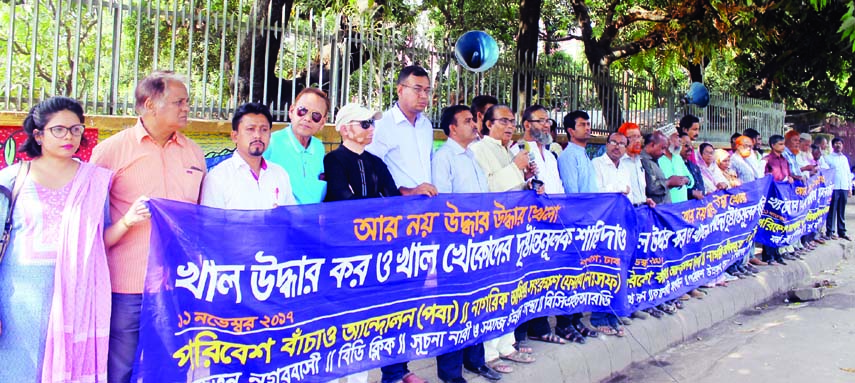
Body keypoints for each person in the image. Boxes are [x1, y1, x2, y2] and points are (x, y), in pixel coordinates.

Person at [0, 97, 140, 382]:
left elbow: (97, 244)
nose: (70, 137)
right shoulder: (13, 179)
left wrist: (128, 222)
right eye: (59, 130)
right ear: (38, 135)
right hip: (20, 301)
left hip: (78, 299)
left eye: (76, 130)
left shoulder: (95, 182)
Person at [90, 71, 206, 383]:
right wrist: (128, 220)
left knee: (173, 363)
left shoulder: (194, 152)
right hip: (128, 283)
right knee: (121, 365)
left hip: (177, 282)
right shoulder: (112, 151)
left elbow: (200, 217)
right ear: (150, 104)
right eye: (178, 102)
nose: (186, 108)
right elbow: (90, 223)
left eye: (187, 102)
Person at [431, 105, 502, 382]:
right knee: (453, 307)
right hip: (456, 245)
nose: (475, 125)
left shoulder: (471, 155)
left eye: (474, 120)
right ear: (452, 128)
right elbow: (444, 206)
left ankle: (476, 360)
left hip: (480, 243)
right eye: (468, 121)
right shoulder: (444, 157)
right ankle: (450, 373)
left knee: (478, 302)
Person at [470, 105, 537, 372]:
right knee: (494, 290)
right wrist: (514, 168)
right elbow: (488, 187)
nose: (510, 126)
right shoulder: (479, 150)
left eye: (512, 121)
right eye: (504, 121)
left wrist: (525, 177)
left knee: (511, 286)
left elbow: (511, 183)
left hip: (514, 228)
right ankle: (488, 352)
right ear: (488, 124)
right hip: (493, 230)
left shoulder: (508, 150)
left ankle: (506, 343)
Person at [201, 102, 296, 209]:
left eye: (264, 130)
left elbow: (290, 217)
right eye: (250, 129)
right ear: (235, 136)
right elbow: (210, 223)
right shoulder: (218, 178)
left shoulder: (280, 174)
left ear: (270, 135)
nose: (258, 135)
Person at [366, 65, 438, 198]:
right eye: (417, 89)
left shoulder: (426, 125)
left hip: (427, 203)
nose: (423, 96)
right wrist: (406, 191)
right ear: (400, 90)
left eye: (427, 90)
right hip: (397, 204)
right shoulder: (383, 124)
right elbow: (371, 168)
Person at [264, 87, 330, 204]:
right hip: (279, 219)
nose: (307, 118)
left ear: (322, 122)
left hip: (312, 219)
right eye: (302, 111)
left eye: (316, 116)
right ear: (291, 111)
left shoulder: (318, 147)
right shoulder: (271, 142)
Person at [323, 104, 399, 202]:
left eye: (372, 123)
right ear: (345, 129)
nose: (372, 128)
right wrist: (379, 198)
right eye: (365, 124)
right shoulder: (333, 160)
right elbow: (343, 200)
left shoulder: (376, 162)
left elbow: (393, 198)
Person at [510, 105, 564, 195]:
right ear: (527, 125)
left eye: (547, 121)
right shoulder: (516, 153)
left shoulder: (550, 156)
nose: (547, 125)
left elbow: (559, 188)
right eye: (541, 121)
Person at [761, 134, 791, 265]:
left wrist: (790, 178)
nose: (783, 147)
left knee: (780, 223)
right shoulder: (767, 160)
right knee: (769, 223)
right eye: (780, 144)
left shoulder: (784, 160)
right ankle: (768, 255)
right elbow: (764, 176)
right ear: (773, 145)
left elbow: (788, 174)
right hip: (770, 196)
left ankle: (777, 253)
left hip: (782, 196)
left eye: (784, 144)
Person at [557, 110, 598, 194]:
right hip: (580, 205)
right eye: (582, 125)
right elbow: (571, 192)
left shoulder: (582, 153)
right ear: (571, 131)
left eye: (588, 124)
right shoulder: (569, 156)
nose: (587, 128)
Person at [618, 123, 655, 208]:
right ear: (623, 140)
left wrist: (645, 199)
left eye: (639, 137)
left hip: (642, 208)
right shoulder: (619, 161)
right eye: (633, 137)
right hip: (626, 209)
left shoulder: (639, 160)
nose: (637, 141)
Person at [657, 128, 694, 203]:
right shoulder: (657, 159)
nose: (680, 140)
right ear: (667, 140)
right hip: (666, 207)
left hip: (682, 206)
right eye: (676, 136)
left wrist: (686, 180)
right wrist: (670, 182)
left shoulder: (678, 157)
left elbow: (691, 180)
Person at [826, 137, 851, 241]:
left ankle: (842, 231)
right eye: (836, 143)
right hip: (834, 187)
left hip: (844, 187)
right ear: (832, 146)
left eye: (840, 143)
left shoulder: (844, 158)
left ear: (842, 145)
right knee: (832, 210)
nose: (838, 145)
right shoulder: (828, 158)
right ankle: (830, 232)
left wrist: (849, 188)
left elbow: (848, 173)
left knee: (841, 210)